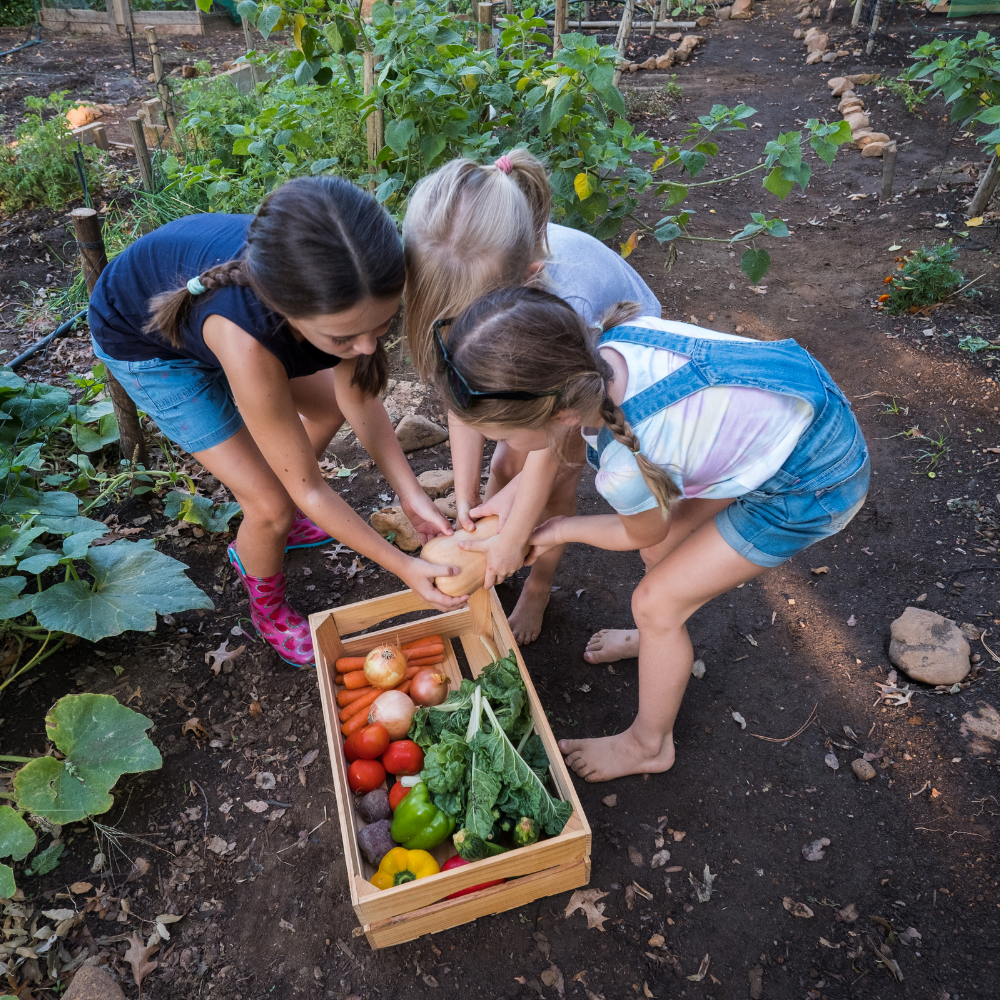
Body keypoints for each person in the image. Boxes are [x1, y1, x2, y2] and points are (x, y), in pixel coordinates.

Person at [431, 286, 870, 782]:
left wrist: (556, 530)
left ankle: (649, 744)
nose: (503, 448)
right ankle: (656, 642)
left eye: (504, 437)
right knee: (666, 552)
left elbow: (636, 532)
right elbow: (550, 450)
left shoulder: (625, 464)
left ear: (560, 414)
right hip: (791, 409)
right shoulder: (602, 356)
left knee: (656, 602)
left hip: (811, 480)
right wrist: (507, 509)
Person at [89, 176, 464, 668]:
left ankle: (276, 523)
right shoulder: (250, 341)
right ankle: (267, 605)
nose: (370, 347)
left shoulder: (347, 287)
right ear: (288, 313)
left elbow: (359, 402)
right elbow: (311, 490)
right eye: (346, 338)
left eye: (382, 326)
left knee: (326, 409)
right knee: (270, 505)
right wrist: (403, 566)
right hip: (144, 342)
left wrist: (412, 497)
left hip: (214, 322)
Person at [402, 149, 660, 644]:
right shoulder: (465, 278)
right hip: (534, 368)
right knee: (502, 469)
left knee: (554, 479)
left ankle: (537, 586)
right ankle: (494, 553)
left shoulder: (568, 307)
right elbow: (464, 397)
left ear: (526, 279)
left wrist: (518, 534)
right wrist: (465, 493)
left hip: (603, 365)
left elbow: (554, 452)